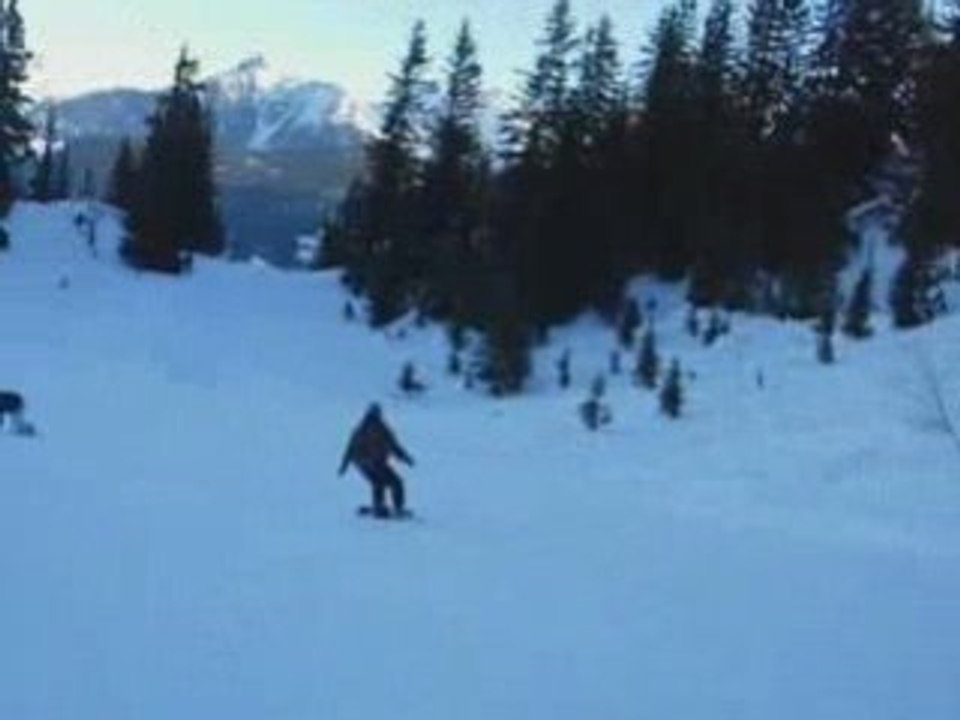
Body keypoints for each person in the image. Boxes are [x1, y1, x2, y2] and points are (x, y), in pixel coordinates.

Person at [339, 404, 415, 518]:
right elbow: (393, 445)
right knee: (394, 482)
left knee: (379, 482)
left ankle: (379, 506)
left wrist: (344, 466)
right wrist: (405, 458)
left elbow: (350, 448)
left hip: (366, 463)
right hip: (371, 462)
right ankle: (392, 507)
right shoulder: (376, 429)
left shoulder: (362, 428)